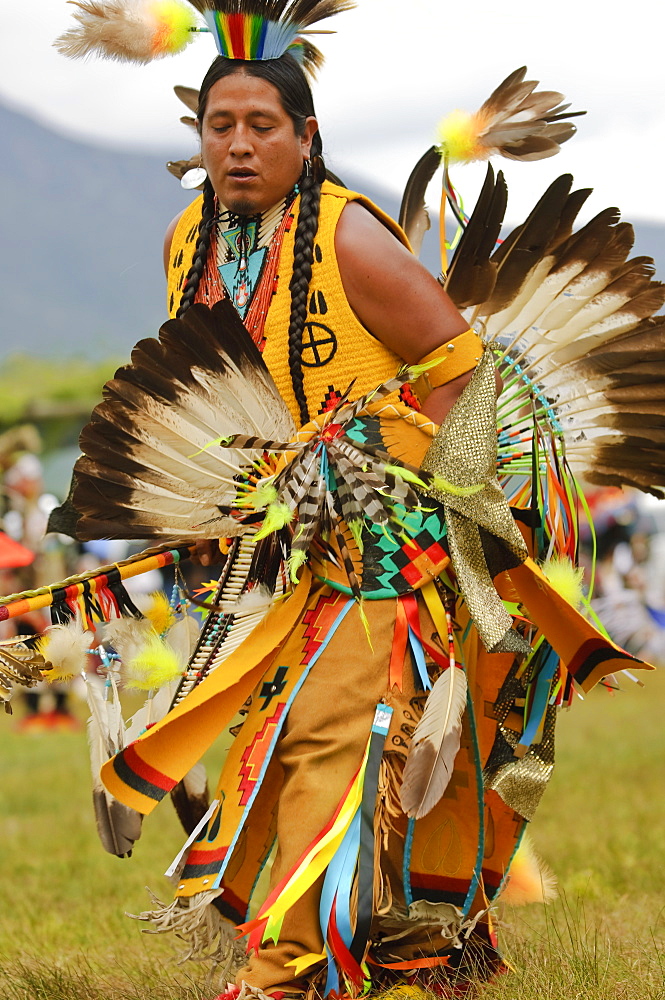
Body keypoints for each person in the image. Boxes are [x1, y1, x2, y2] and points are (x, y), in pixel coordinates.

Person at [50, 3, 654, 998]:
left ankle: (283, 964)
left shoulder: (350, 239)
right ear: (198, 137)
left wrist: (444, 507)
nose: (238, 144)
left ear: (306, 137)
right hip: (277, 543)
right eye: (220, 125)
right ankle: (417, 945)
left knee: (344, 735)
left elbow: (462, 370)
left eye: (262, 126)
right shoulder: (187, 241)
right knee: (272, 743)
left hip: (387, 535)